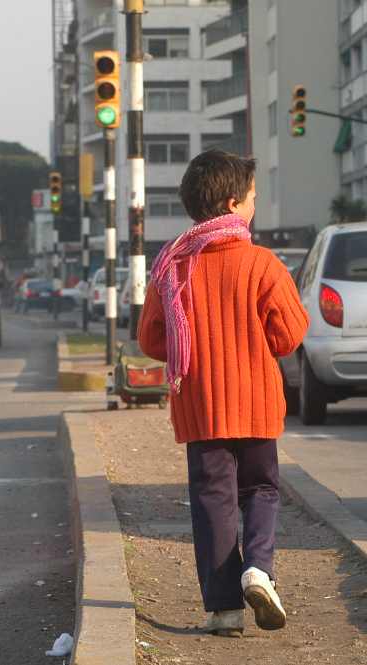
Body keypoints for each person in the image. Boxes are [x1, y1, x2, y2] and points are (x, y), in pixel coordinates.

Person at [138, 150, 309, 638]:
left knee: (212, 498)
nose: (256, 206)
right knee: (261, 488)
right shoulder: (261, 263)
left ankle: (224, 608)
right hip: (255, 402)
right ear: (234, 203)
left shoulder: (172, 267)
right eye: (253, 198)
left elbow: (151, 339)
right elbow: (288, 336)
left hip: (198, 407)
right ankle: (258, 569)